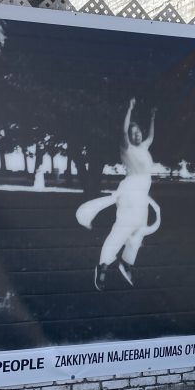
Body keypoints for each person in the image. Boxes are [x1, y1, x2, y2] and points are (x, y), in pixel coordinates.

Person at [76, 98, 160, 290]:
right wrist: (129, 109)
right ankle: (102, 267)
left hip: (141, 197)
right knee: (121, 231)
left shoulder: (143, 147)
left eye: (138, 132)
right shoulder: (126, 149)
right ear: (128, 137)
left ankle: (126, 263)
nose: (136, 134)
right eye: (133, 133)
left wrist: (153, 117)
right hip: (130, 194)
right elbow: (123, 131)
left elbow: (151, 138)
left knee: (138, 232)